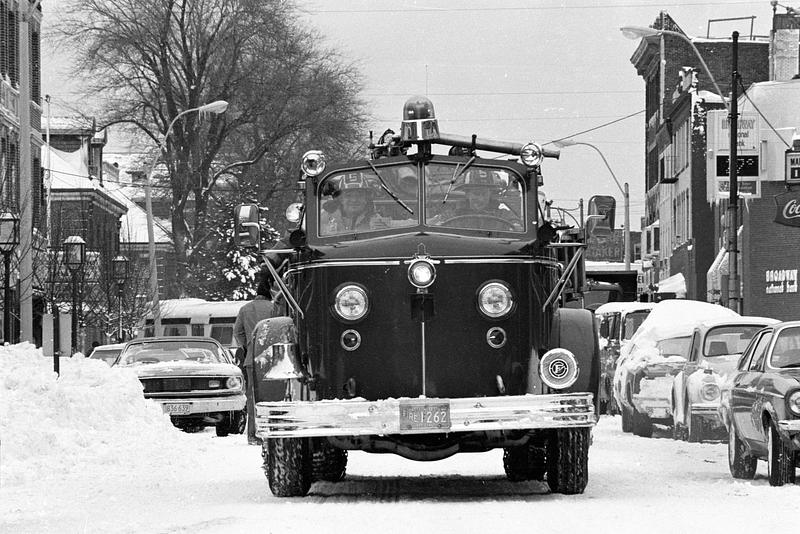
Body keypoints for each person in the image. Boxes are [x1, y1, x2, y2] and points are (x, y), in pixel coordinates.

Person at [234, 271, 276, 445]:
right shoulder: (275, 308)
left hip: (252, 359)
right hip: (272, 359)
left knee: (253, 397)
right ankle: (272, 432)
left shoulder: (245, 309)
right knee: (274, 396)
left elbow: (238, 332)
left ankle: (253, 434)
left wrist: (247, 346)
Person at [319, 173, 388, 234]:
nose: (354, 200)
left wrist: (382, 231)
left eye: (359, 195)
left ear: (366, 198)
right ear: (341, 198)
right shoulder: (324, 218)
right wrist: (325, 232)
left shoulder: (379, 218)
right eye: (348, 195)